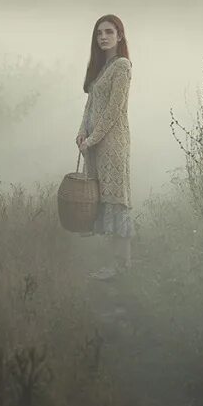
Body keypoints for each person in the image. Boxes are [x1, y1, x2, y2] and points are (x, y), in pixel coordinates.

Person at [76, 14, 133, 280]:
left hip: (112, 143)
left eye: (109, 32)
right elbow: (90, 106)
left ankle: (120, 266)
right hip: (96, 144)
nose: (103, 37)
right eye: (99, 33)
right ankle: (114, 266)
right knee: (102, 200)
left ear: (119, 36)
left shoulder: (122, 66)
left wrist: (94, 138)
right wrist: (81, 133)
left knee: (116, 202)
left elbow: (114, 110)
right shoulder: (102, 68)